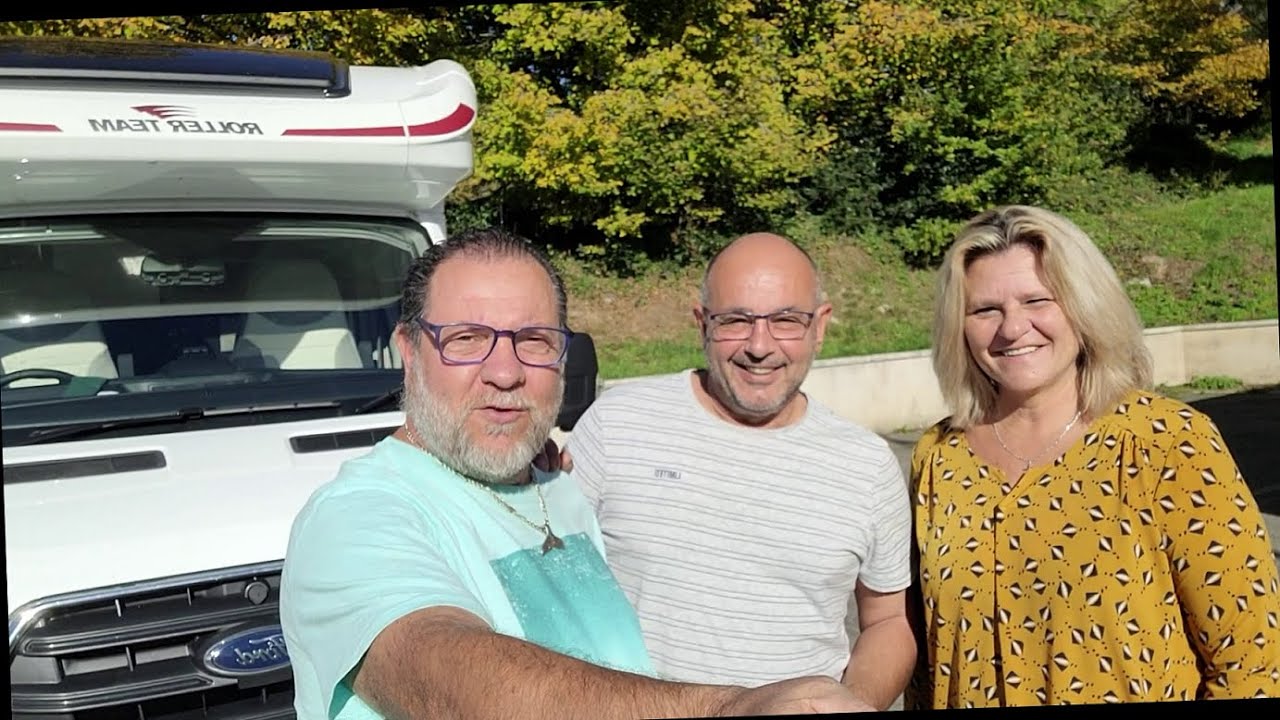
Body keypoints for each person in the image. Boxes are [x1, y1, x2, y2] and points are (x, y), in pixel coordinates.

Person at [278, 228, 876, 720]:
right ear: (409, 351)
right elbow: (455, 684)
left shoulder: (558, 487)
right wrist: (728, 708)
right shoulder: (357, 513)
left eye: (534, 341)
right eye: (467, 339)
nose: (505, 372)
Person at [904, 204, 1280, 708]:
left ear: (1084, 305)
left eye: (1038, 300)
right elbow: (926, 666)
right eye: (985, 309)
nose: (1012, 328)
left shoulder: (1167, 441)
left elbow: (1252, 659)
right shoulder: (938, 458)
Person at [546, 232, 917, 710]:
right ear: (701, 324)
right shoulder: (619, 424)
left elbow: (889, 621)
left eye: (786, 320)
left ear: (819, 326)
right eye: (735, 320)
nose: (759, 346)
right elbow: (547, 572)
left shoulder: (866, 465)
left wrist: (851, 701)